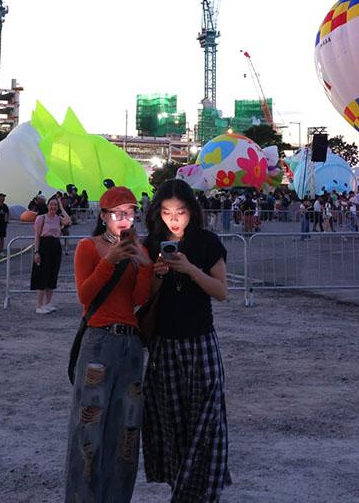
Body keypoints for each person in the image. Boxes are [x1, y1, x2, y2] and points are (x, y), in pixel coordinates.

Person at [142, 179, 231, 502]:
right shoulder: (151, 244)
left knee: (206, 425)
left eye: (180, 212)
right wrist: (157, 275)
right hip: (165, 345)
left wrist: (191, 269)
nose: (174, 219)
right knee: (172, 426)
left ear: (192, 211)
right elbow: (144, 300)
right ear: (158, 213)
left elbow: (221, 292)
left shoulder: (206, 242)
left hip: (201, 343)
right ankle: (182, 492)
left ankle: (199, 495)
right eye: (166, 212)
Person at [65, 186, 152, 503]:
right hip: (99, 341)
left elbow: (139, 300)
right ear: (103, 216)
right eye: (118, 213)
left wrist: (145, 266)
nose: (125, 218)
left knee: (126, 430)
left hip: (130, 345)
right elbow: (85, 297)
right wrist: (110, 260)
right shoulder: (89, 247)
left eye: (130, 213)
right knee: (90, 429)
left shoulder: (136, 251)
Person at [32, 195, 71, 314]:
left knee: (52, 275)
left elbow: (67, 220)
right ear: (48, 206)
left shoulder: (58, 219)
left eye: (55, 205)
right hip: (44, 246)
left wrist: (61, 206)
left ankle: (47, 303)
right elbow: (37, 236)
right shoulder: (41, 218)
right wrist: (36, 251)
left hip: (55, 246)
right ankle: (39, 305)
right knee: (42, 275)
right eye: (51, 204)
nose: (53, 207)